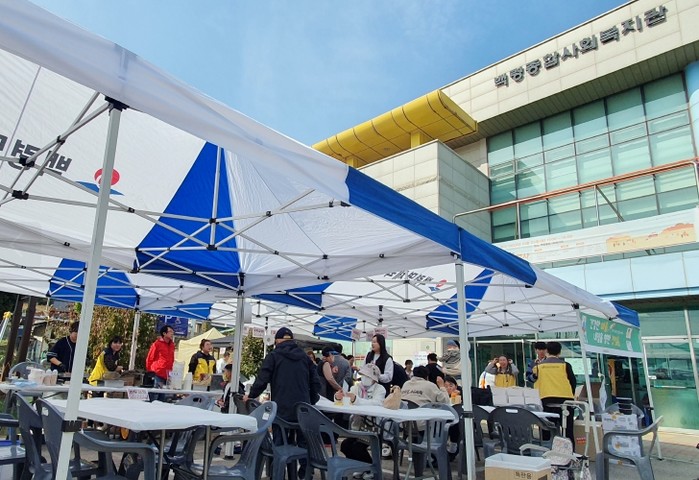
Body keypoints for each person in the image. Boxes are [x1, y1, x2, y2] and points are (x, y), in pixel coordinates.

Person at [244, 327, 320, 479]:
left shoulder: (274, 355)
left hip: (281, 411)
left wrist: (251, 396)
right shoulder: (305, 357)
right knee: (303, 445)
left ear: (277, 340)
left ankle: (277, 475)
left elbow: (262, 379)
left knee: (279, 444)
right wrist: (310, 401)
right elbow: (316, 383)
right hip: (302, 410)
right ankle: (304, 475)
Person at [336, 364, 385, 479]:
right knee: (345, 445)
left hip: (373, 427)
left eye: (367, 376)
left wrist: (356, 400)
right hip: (356, 426)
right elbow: (347, 400)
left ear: (374, 378)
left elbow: (377, 403)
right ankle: (361, 467)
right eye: (363, 375)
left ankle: (371, 468)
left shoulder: (380, 389)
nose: (364, 378)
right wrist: (338, 397)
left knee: (357, 447)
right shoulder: (356, 387)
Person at [400, 365, 450, 478]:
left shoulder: (406, 384)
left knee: (417, 440)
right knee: (444, 432)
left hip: (407, 425)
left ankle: (420, 469)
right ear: (426, 376)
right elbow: (445, 402)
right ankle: (442, 468)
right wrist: (442, 387)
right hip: (424, 426)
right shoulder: (430, 385)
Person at [532, 341, 577, 445]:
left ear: (546, 351)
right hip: (565, 401)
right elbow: (572, 382)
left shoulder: (538, 366)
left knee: (546, 429)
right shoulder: (565, 365)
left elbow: (535, 381)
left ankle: (546, 449)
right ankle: (569, 450)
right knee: (568, 430)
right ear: (560, 352)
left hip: (546, 400)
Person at [145, 325, 175, 398]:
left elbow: (172, 359)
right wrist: (150, 372)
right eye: (170, 331)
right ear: (164, 333)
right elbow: (150, 358)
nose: (172, 333)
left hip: (168, 374)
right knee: (155, 396)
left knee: (163, 397)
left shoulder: (172, 345)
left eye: (173, 332)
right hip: (157, 373)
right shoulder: (157, 344)